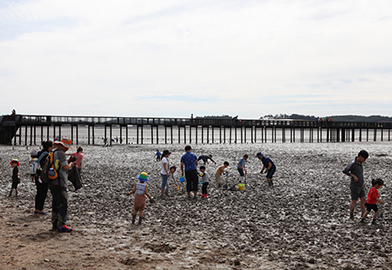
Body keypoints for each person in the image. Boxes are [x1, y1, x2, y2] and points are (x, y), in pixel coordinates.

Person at [49, 138, 75, 232]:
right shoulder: (61, 153)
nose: (67, 149)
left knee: (55, 203)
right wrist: (71, 164)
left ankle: (54, 224)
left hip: (52, 181)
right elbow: (65, 167)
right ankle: (61, 224)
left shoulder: (53, 153)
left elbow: (58, 165)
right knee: (62, 203)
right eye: (66, 147)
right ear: (61, 146)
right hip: (60, 182)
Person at [343, 150, 369, 220]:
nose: (364, 160)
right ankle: (351, 214)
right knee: (354, 200)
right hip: (354, 185)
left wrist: (363, 182)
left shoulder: (360, 164)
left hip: (360, 184)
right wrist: (353, 176)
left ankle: (363, 214)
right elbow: (345, 171)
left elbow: (360, 174)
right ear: (360, 156)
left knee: (363, 198)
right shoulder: (353, 164)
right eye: (364, 158)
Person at [34, 141, 53, 215]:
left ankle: (36, 209)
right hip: (42, 176)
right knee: (43, 193)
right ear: (49, 147)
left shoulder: (39, 153)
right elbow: (45, 166)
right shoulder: (47, 155)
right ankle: (40, 210)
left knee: (38, 192)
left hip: (36, 174)